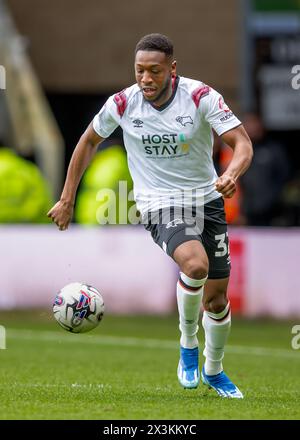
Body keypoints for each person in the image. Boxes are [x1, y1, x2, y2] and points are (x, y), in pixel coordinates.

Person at [48, 34, 253, 399]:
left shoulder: (200, 97)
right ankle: (188, 345)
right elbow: (88, 141)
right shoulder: (123, 104)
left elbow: (241, 143)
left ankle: (214, 369)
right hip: (159, 203)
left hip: (207, 201)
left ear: (172, 69)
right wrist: (66, 199)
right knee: (195, 266)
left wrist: (231, 175)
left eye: (154, 71)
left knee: (218, 300)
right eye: (139, 70)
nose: (145, 78)